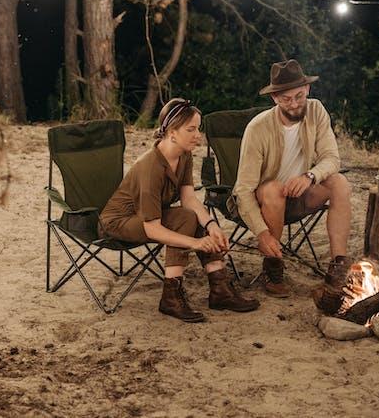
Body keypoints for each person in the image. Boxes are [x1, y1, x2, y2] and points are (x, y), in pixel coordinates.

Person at [99, 98, 259, 322]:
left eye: (198, 128)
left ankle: (220, 289)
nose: (198, 135)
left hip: (148, 217)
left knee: (191, 216)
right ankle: (171, 298)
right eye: (191, 129)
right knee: (183, 219)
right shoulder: (150, 167)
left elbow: (189, 199)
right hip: (118, 223)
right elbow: (152, 229)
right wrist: (195, 243)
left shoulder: (183, 156)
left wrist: (212, 227)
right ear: (172, 132)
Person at [230, 59, 353, 313]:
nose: (295, 104)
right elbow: (243, 190)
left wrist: (309, 176)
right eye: (286, 99)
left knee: (339, 182)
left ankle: (338, 268)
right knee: (274, 188)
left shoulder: (316, 110)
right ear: (274, 97)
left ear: (307, 90)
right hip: (267, 202)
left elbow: (332, 159)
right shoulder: (258, 128)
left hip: (301, 196)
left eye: (299, 96)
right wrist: (262, 233)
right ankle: (273, 268)